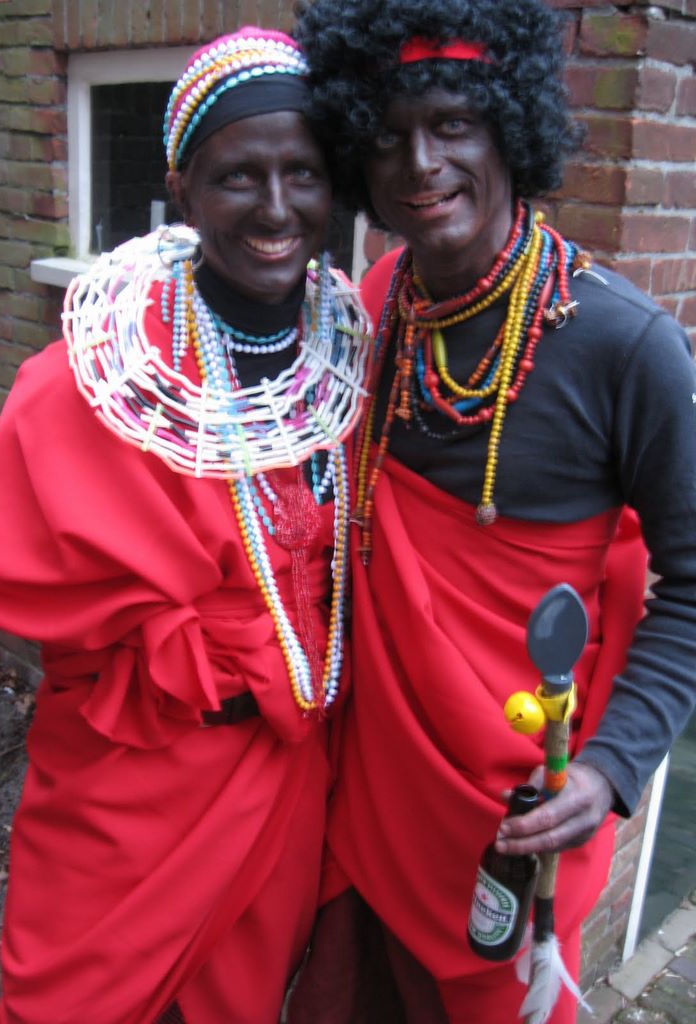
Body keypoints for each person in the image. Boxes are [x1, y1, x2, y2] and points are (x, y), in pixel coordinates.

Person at [0, 26, 370, 1024]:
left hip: (292, 775)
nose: (276, 209)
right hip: (132, 798)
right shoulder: (98, 379)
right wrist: (186, 649)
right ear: (182, 189)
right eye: (238, 176)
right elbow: (4, 577)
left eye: (303, 173)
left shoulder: (353, 352)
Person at [289, 1, 696, 1021]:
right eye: (388, 135)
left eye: (453, 124)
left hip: (513, 824)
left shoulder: (628, 346)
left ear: (511, 130)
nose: (421, 163)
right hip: (369, 802)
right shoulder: (374, 306)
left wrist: (609, 770)